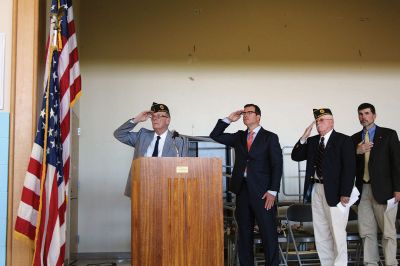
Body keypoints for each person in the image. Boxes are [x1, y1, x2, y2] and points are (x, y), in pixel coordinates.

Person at [209, 104, 283, 266]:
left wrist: (273, 191)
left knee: (268, 234)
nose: (245, 115)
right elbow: (215, 135)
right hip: (242, 190)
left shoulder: (270, 137)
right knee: (244, 234)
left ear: (258, 117)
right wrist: (229, 119)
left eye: (250, 112)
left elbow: (277, 165)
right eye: (244, 113)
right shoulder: (239, 137)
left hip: (264, 193)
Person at [291, 108, 355, 266]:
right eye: (317, 121)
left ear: (331, 122)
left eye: (322, 120)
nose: (318, 124)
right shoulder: (312, 141)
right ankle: (327, 263)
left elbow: (349, 168)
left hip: (337, 192)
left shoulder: (343, 140)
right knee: (321, 232)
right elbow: (296, 156)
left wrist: (345, 192)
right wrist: (303, 138)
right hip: (316, 189)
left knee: (337, 232)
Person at [351, 103, 400, 266]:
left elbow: (397, 164)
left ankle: (391, 263)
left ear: (374, 115)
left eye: (366, 113)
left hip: (385, 191)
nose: (363, 117)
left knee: (388, 232)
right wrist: (356, 152)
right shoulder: (354, 139)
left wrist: (398, 189)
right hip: (362, 189)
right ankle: (370, 263)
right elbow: (348, 165)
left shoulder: (388, 135)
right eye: (360, 114)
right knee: (366, 232)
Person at [114, 102, 189, 197]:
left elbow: (183, 169)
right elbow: (119, 134)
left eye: (159, 116)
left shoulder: (178, 141)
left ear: (168, 120)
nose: (155, 118)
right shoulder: (142, 136)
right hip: (141, 189)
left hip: (168, 192)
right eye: (153, 116)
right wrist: (137, 119)